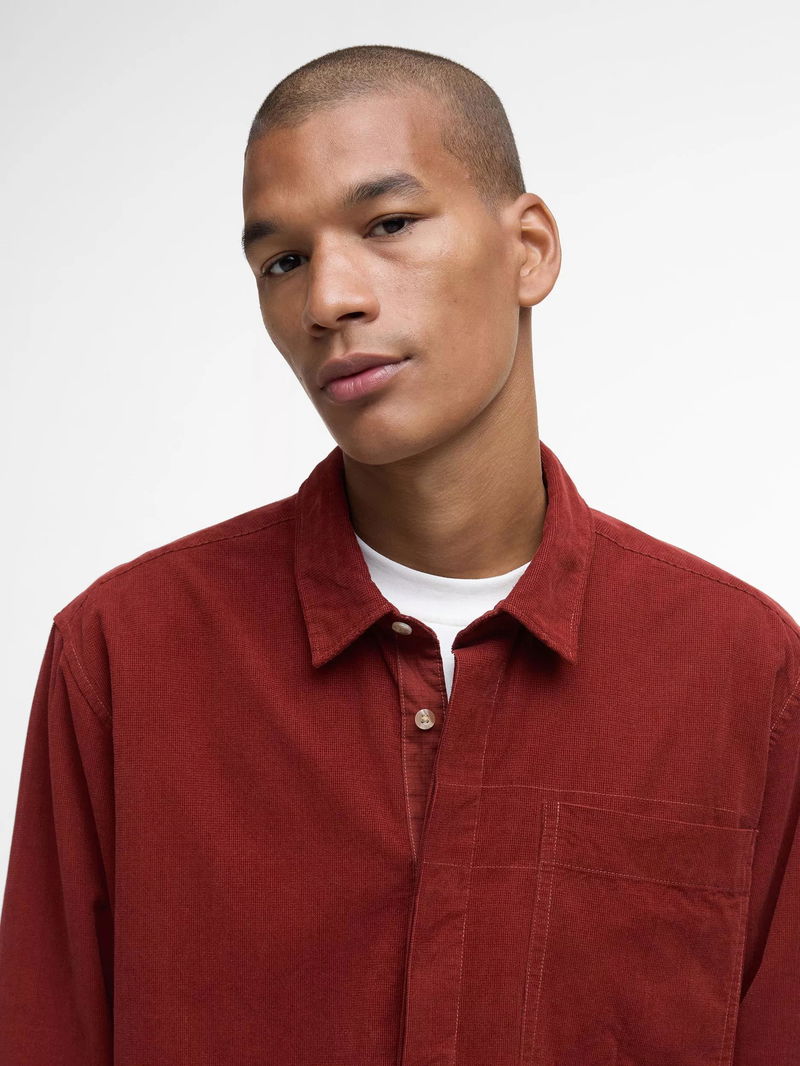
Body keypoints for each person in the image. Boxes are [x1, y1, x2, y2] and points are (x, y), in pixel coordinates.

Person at [0, 42, 798, 1066]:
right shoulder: (122, 655)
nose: (327, 300)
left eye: (387, 225)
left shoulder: (741, 671)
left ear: (529, 250)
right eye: (282, 261)